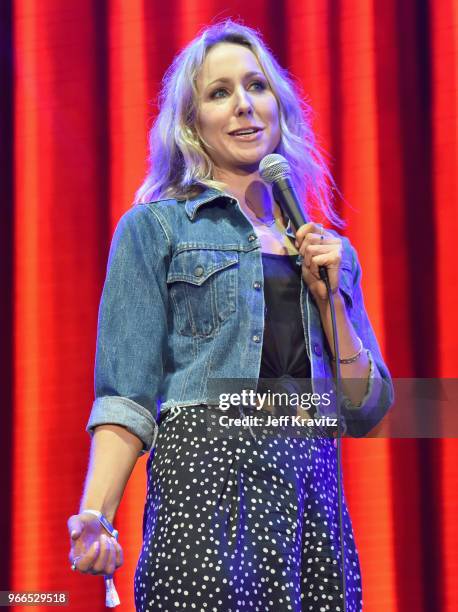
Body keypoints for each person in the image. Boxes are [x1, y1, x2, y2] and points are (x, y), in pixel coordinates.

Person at [67, 20, 393, 612]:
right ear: (192, 124)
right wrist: (96, 513)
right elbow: (126, 399)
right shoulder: (156, 229)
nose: (244, 105)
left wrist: (333, 304)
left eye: (256, 86)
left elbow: (367, 409)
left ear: (280, 106)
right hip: (208, 499)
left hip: (310, 507)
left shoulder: (327, 254)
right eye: (219, 93)